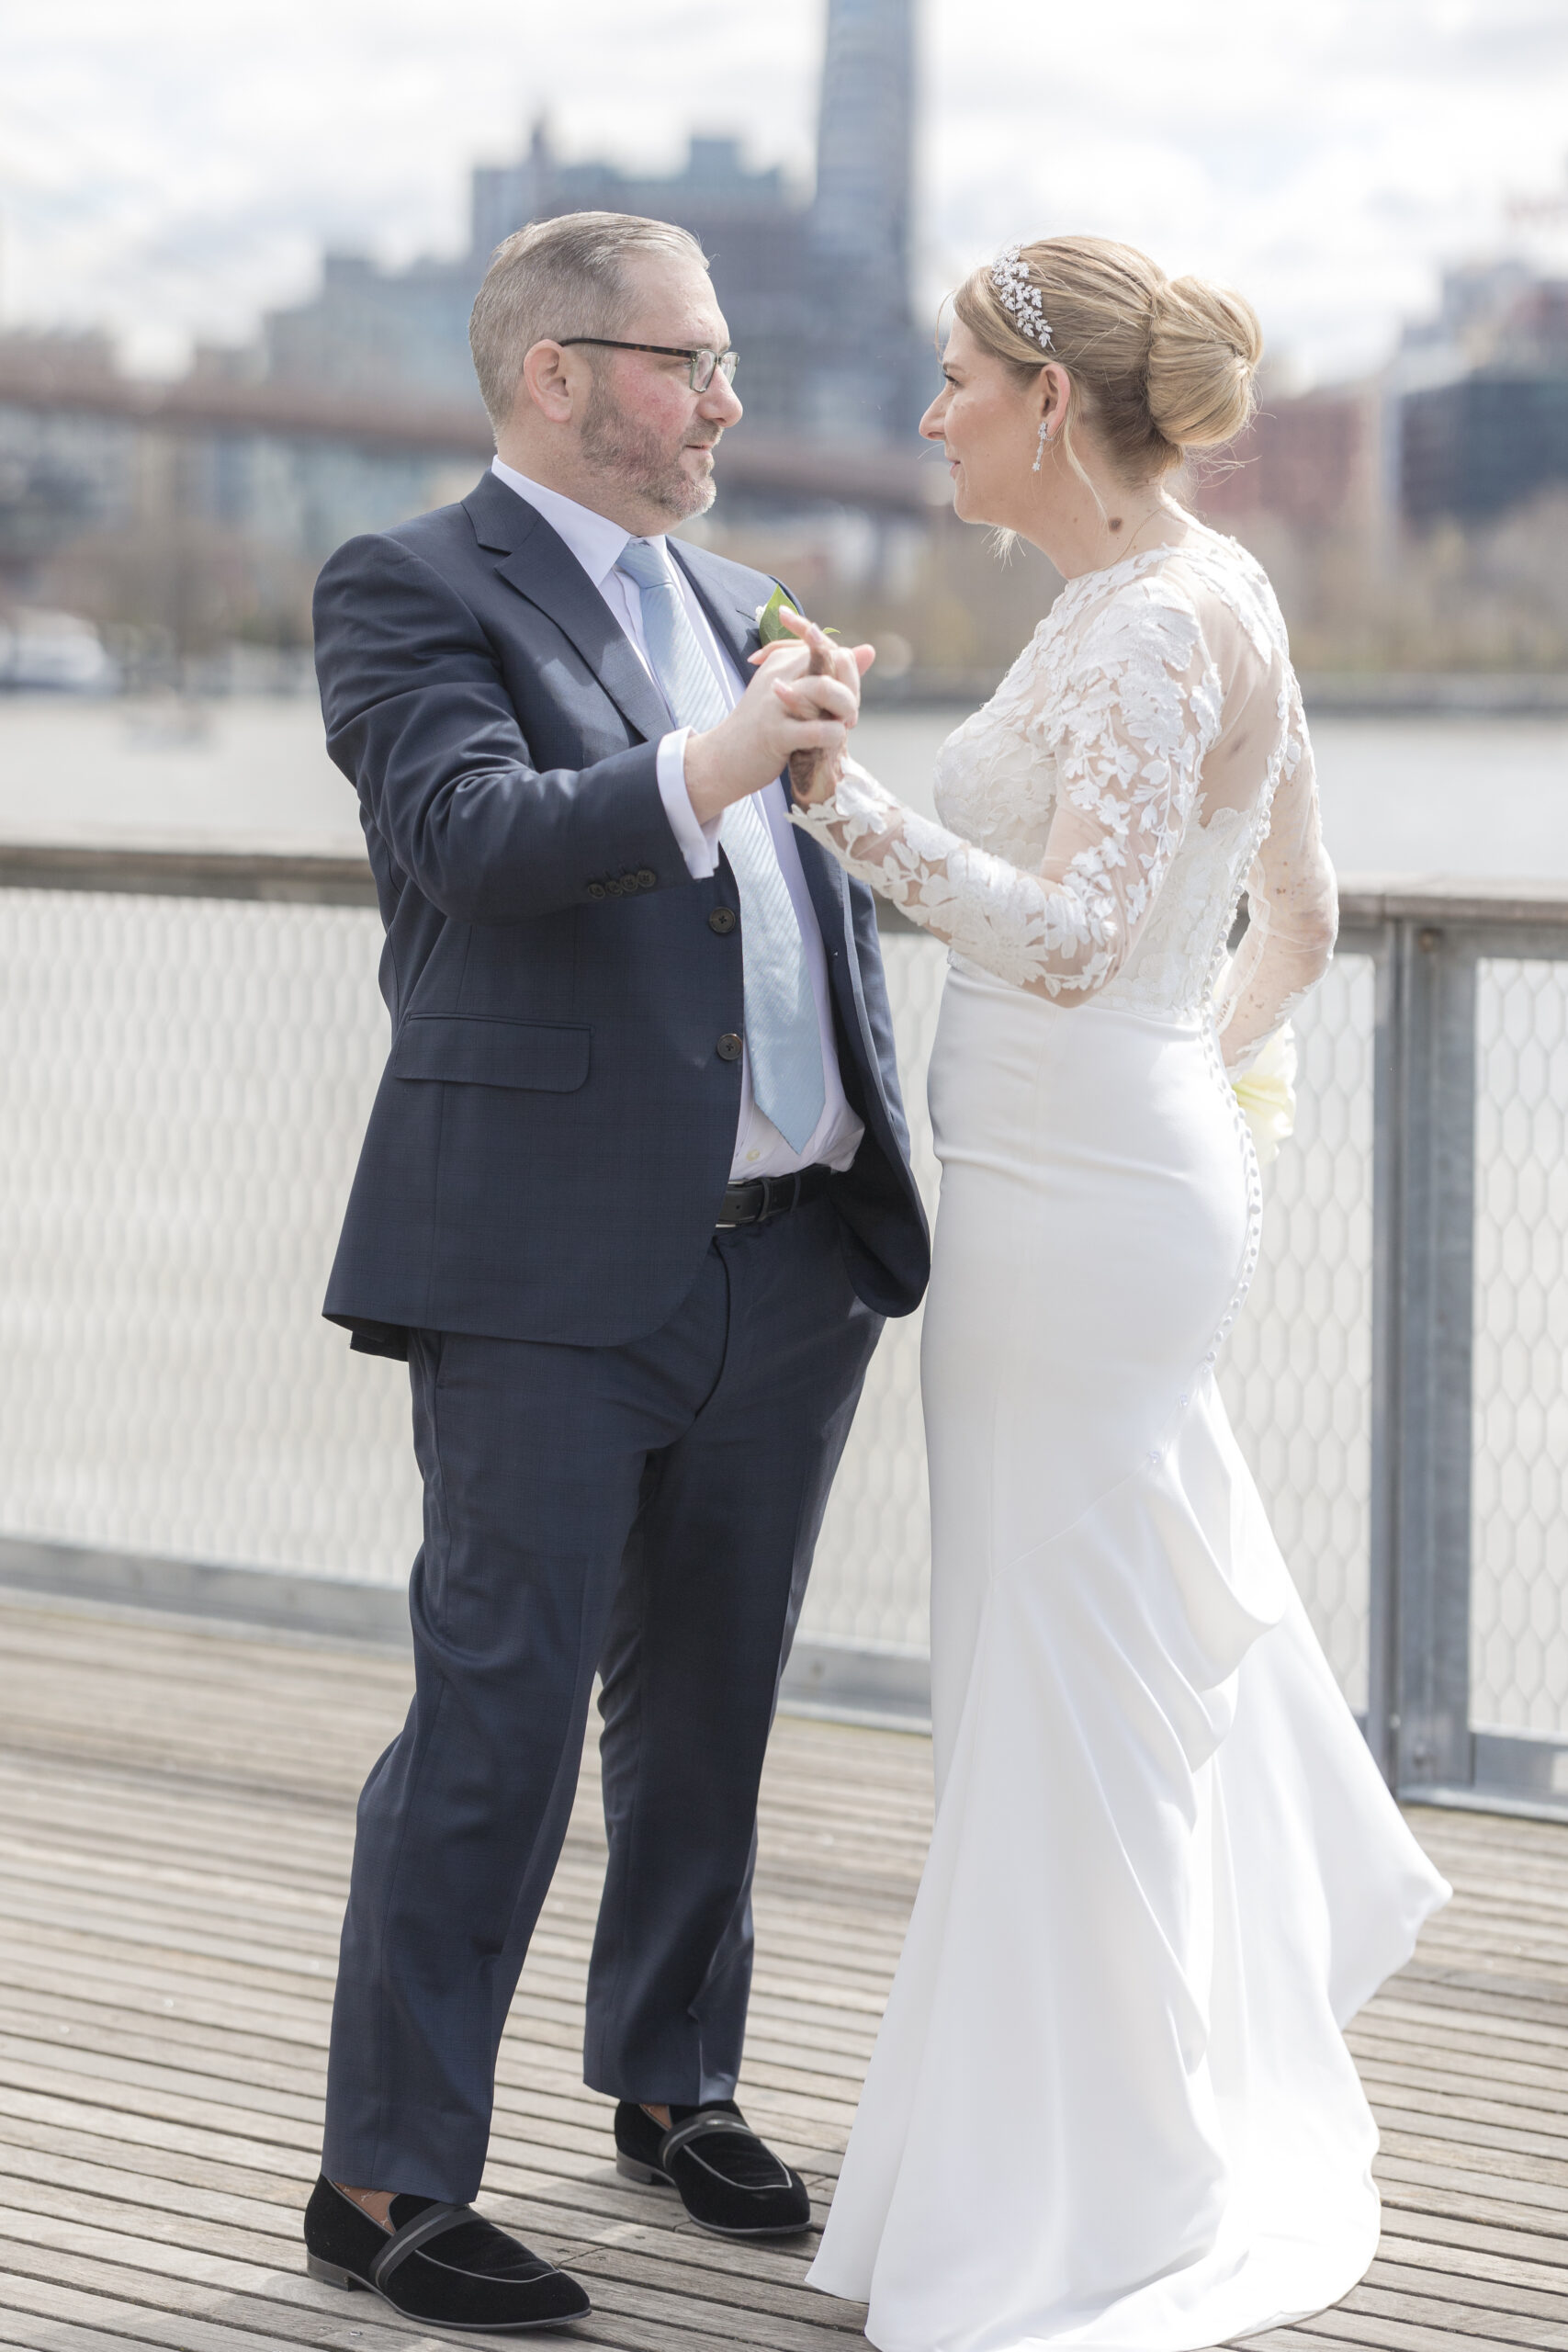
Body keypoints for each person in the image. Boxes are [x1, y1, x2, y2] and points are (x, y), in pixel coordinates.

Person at [782, 236, 1451, 2351]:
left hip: (1076, 1219)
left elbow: (1073, 935)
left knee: (1052, 1693)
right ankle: (1073, 2145)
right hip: (1100, 1192)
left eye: (953, 377)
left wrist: (836, 803)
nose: (927, 416)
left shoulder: (1155, 623)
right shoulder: (1183, 592)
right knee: (1055, 1684)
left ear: (1047, 399)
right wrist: (1206, 1109)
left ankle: (1103, 2193)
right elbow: (1299, 920)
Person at [299, 209, 929, 2335]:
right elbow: (475, 839)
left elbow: (797, 905)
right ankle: (386, 2180)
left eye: (726, 359)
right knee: (496, 1722)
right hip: (547, 1272)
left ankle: (673, 2079)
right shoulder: (403, 587)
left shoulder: (740, 598)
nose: (729, 402)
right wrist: (736, 751)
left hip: (788, 1259)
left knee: (715, 1710)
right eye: (687, 362)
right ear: (554, 372)